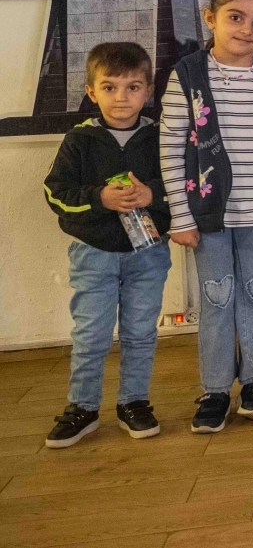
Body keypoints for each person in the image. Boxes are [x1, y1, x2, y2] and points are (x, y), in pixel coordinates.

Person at [160, 0, 253, 434]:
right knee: (216, 297)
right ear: (211, 18)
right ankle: (216, 389)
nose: (247, 29)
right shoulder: (188, 75)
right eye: (236, 17)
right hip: (208, 215)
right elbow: (170, 147)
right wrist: (180, 216)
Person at [42, 43, 171, 448]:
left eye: (133, 87)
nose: (121, 97)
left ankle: (134, 402)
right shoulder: (79, 140)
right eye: (109, 87)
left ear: (148, 91)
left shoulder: (161, 137)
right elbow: (55, 193)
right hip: (93, 254)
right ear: (91, 91)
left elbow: (183, 189)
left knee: (140, 331)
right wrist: (100, 197)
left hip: (148, 253)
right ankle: (82, 407)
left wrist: (151, 194)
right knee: (91, 333)